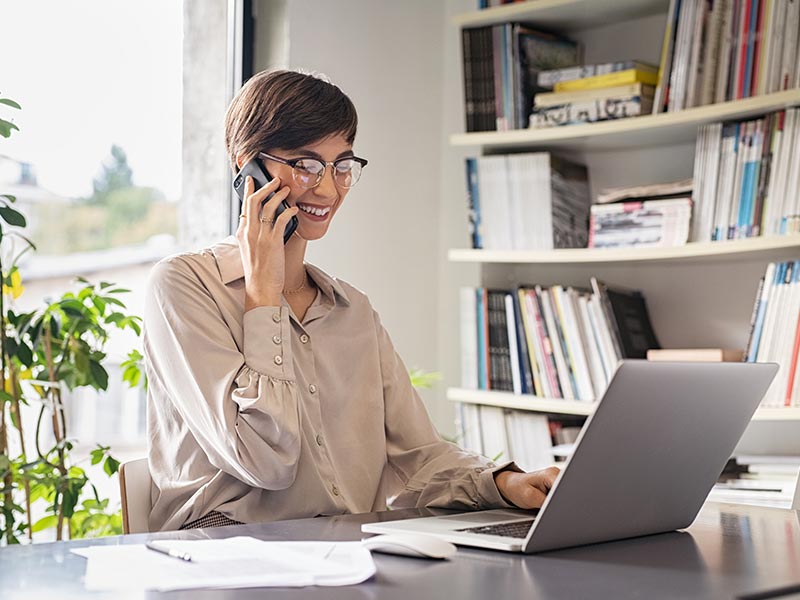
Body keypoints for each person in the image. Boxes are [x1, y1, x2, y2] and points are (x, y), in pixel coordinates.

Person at [143, 69, 559, 532]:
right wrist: (263, 294)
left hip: (346, 557)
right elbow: (265, 461)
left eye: (341, 165)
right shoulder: (182, 287)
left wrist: (502, 484)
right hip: (220, 560)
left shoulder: (353, 310)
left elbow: (419, 456)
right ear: (248, 167)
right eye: (305, 164)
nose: (327, 188)